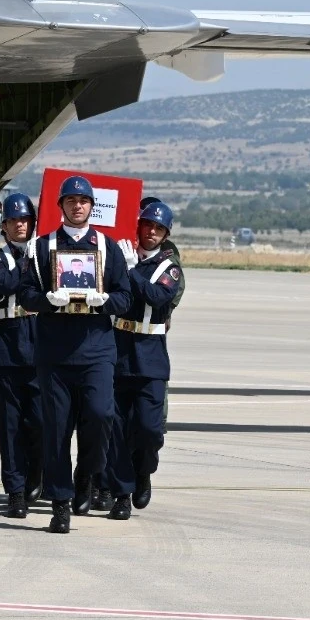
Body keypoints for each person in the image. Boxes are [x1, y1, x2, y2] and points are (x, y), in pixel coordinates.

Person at [16, 175, 131, 533]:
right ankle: (61, 503)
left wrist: (106, 302)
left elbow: (125, 297)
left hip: (96, 348)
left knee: (99, 417)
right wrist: (46, 301)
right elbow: (24, 294)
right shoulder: (41, 247)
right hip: (55, 350)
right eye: (70, 201)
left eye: (83, 201)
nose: (77, 206)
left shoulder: (107, 247)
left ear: (91, 206)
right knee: (57, 431)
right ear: (60, 206)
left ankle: (87, 474)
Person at [104, 200, 184, 520]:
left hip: (150, 354)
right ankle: (122, 494)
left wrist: (129, 269)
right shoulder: (121, 258)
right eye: (147, 226)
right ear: (138, 227)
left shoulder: (169, 267)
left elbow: (156, 296)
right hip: (119, 350)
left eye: (158, 228)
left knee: (149, 429)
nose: (151, 232)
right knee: (117, 429)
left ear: (165, 235)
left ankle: (144, 471)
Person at [0, 191, 41, 518]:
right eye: (13, 221)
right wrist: (33, 263)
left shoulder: (46, 252)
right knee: (10, 426)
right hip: (9, 345)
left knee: (42, 422)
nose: (20, 225)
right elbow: (4, 284)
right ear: (4, 226)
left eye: (25, 220)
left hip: (42, 345)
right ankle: (15, 491)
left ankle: (37, 472)